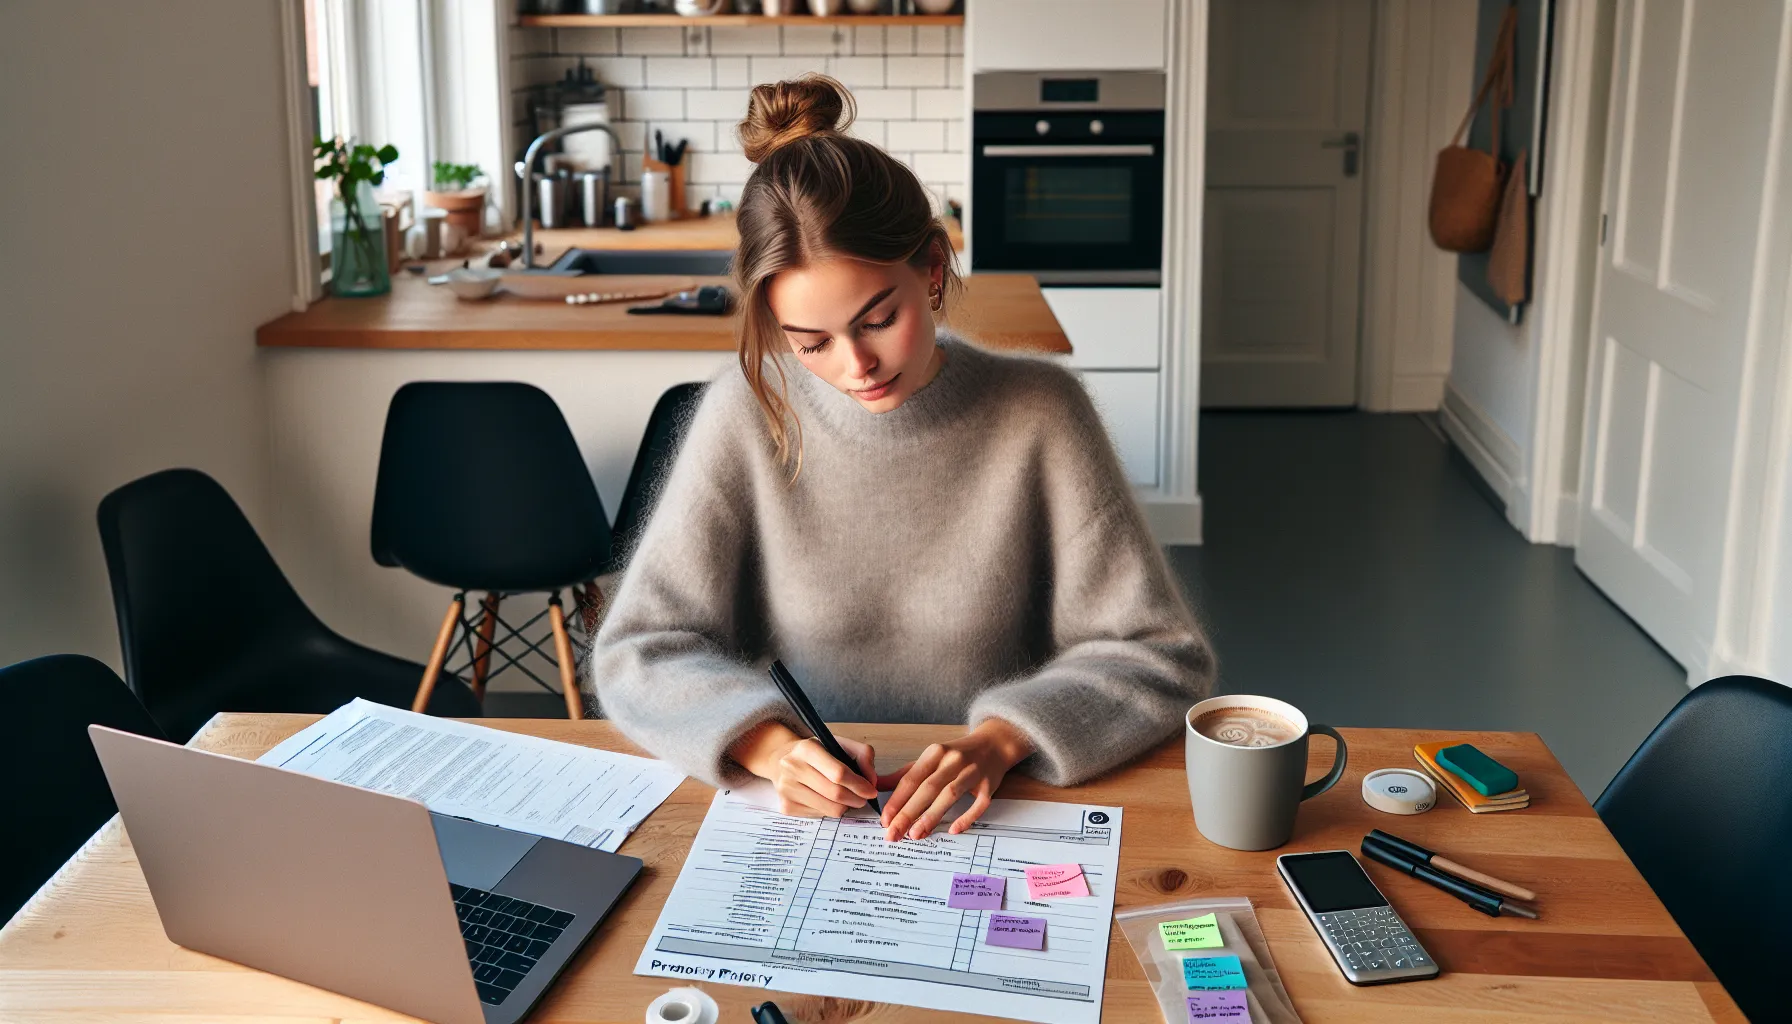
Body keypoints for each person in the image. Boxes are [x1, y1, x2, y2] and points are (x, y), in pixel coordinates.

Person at [588, 75, 1213, 843]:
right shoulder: (745, 413)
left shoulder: (1042, 412)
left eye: (878, 320)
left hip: (994, 816)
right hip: (807, 825)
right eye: (811, 343)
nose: (857, 366)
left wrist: (1002, 739)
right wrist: (769, 749)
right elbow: (637, 651)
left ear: (933, 270)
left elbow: (1159, 655)